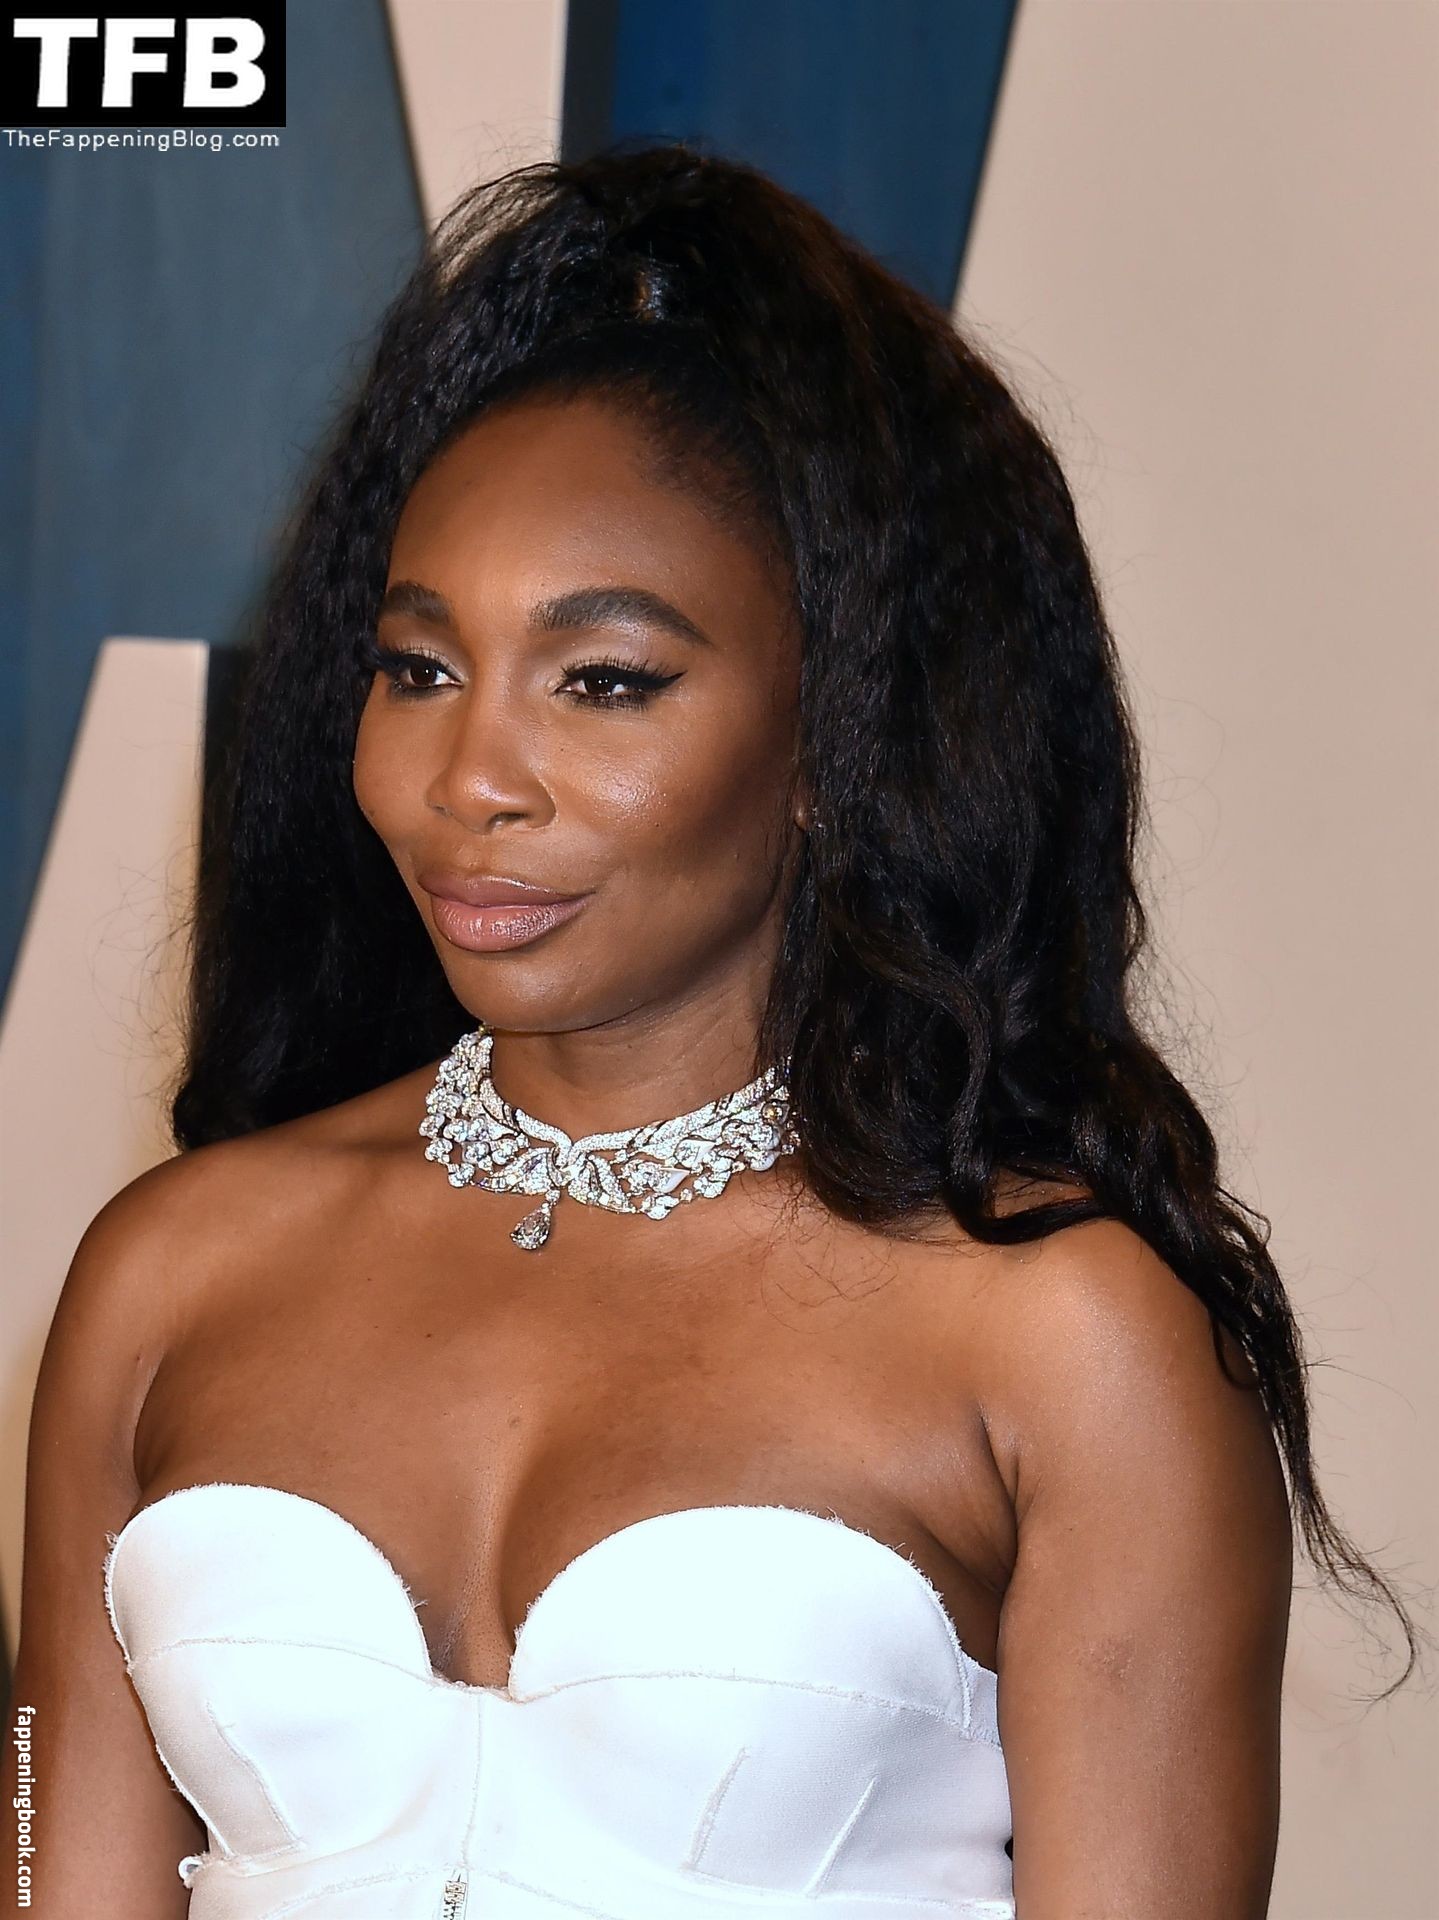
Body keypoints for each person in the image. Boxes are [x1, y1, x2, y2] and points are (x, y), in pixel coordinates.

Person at [2, 141, 1413, 1920]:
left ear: (839, 740)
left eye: (606, 682)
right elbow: (53, 1860)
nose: (469, 780)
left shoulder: (1070, 1339)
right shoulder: (169, 1274)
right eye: (419, 668)